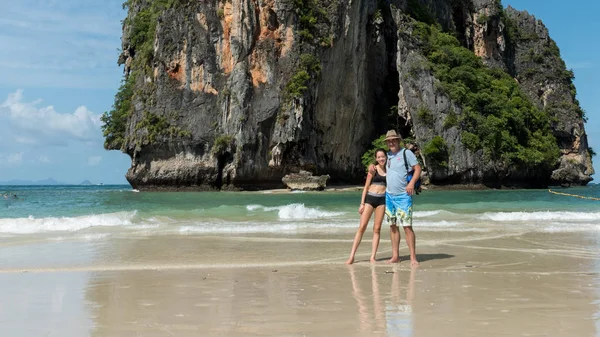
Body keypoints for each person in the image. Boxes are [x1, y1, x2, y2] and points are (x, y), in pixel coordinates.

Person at [370, 130, 421, 266]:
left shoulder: (406, 153)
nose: (391, 142)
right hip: (389, 196)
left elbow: (417, 168)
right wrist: (371, 166)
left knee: (407, 227)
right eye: (389, 141)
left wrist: (411, 183)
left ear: (398, 141)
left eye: (393, 140)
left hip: (403, 196)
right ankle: (395, 256)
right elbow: (377, 166)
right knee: (393, 226)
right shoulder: (386, 156)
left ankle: (413, 257)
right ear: (387, 143)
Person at [345, 148, 387, 264]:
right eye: (378, 157)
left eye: (382, 156)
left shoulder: (390, 170)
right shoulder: (373, 170)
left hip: (382, 201)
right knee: (362, 227)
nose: (381, 159)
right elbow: (366, 187)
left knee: (377, 229)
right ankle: (352, 256)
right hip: (370, 200)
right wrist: (362, 203)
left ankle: (373, 257)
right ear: (376, 158)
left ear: (386, 157)